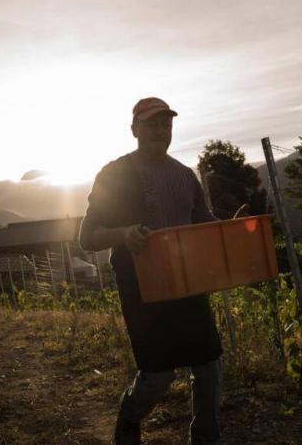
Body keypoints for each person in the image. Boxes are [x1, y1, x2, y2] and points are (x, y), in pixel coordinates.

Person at [79, 97, 223, 445]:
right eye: (151, 124)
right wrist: (124, 234)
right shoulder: (115, 174)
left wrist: (233, 230)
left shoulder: (185, 176)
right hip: (142, 287)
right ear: (134, 130)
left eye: (166, 123)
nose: (161, 130)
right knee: (158, 374)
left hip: (188, 284)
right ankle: (130, 415)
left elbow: (203, 225)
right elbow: (86, 237)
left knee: (208, 369)